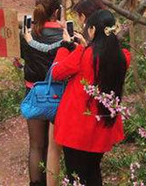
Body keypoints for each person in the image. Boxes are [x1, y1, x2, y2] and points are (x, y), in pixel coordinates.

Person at [51, 10, 130, 186]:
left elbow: (57, 72)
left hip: (77, 126)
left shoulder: (83, 54)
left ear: (93, 30)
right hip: (102, 125)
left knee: (75, 176)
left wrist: (65, 46)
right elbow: (103, 56)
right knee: (93, 171)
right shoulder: (123, 56)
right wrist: (85, 46)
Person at [20, 0, 64, 186]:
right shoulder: (65, 35)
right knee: (55, 148)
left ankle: (36, 183)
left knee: (36, 145)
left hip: (34, 93)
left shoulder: (29, 35)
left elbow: (21, 60)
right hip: (60, 95)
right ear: (56, 12)